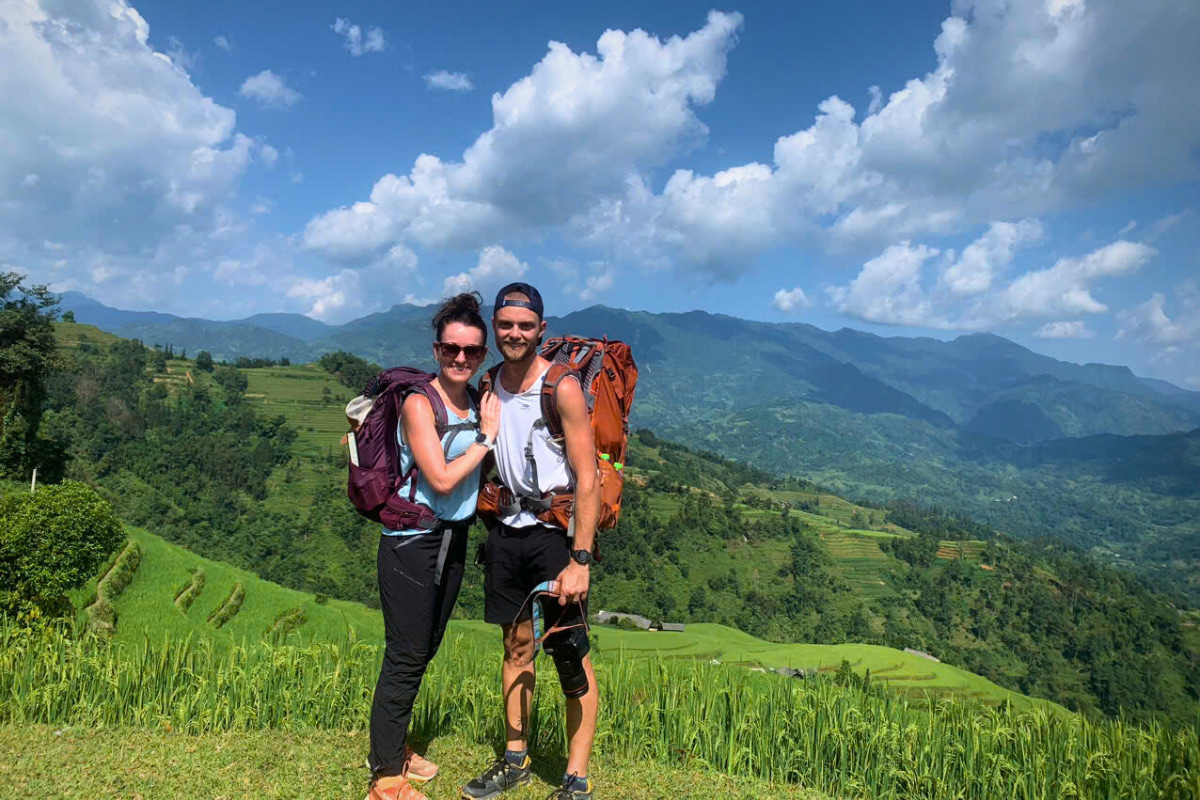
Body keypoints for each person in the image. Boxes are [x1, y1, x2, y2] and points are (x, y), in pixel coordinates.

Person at [461, 283, 600, 800]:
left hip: (553, 537)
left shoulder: (561, 386)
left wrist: (580, 558)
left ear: (541, 328)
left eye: (525, 325)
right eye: (505, 325)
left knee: (570, 653)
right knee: (515, 647)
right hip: (505, 532)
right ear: (494, 329)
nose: (514, 333)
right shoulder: (489, 384)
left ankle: (575, 778)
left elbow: (589, 478)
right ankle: (515, 761)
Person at [367, 293, 501, 800]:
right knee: (404, 654)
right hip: (412, 542)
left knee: (425, 649)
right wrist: (486, 438)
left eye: (471, 351)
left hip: (454, 537)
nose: (461, 359)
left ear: (482, 353)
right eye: (451, 350)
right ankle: (384, 778)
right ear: (436, 349)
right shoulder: (420, 403)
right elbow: (442, 479)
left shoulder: (473, 398)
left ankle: (394, 747)